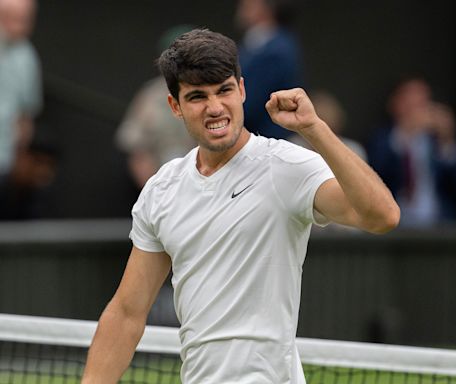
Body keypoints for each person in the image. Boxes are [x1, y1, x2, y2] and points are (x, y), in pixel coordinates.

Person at [82, 29, 400, 384]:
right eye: (198, 96)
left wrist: (315, 128)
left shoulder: (286, 167)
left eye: (224, 90)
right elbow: (127, 313)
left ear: (242, 90)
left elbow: (382, 216)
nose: (215, 107)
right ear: (175, 106)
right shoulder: (161, 190)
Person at [367, 76, 456, 228]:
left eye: (422, 104)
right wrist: (405, 133)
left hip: (440, 223)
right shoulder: (382, 139)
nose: (416, 111)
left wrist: (447, 141)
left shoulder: (437, 142)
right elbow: (375, 175)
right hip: (395, 223)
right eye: (410, 104)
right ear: (395, 104)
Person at [116, 25, 197, 190]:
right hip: (161, 182)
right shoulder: (150, 96)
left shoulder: (213, 94)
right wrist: (154, 191)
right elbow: (137, 150)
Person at [235, 0, 303, 140]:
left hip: (267, 141)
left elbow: (251, 102)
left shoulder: (277, 49)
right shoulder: (256, 44)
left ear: (266, 8)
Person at [0, 0, 42, 178]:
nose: (22, 27)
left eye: (26, 20)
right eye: (15, 19)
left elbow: (27, 113)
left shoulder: (26, 57)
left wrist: (19, 151)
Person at [289, 89, 367, 162]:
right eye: (320, 120)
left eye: (328, 125)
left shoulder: (353, 150)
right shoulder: (292, 147)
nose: (322, 131)